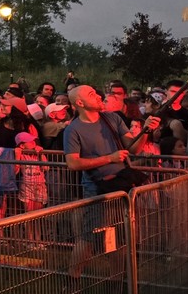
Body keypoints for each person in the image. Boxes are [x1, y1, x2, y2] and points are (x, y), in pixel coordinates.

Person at [63, 84, 161, 281]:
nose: (98, 95)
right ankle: (72, 278)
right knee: (90, 237)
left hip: (121, 185)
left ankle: (118, 281)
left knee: (120, 237)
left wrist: (146, 131)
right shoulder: (73, 130)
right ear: (80, 103)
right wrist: (110, 158)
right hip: (98, 188)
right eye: (92, 94)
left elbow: (133, 148)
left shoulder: (113, 118)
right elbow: (73, 163)